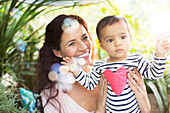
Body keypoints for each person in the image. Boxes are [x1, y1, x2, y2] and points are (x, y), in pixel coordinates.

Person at [35, 14, 151, 113]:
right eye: (72, 43)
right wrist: (100, 110)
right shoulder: (53, 97)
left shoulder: (111, 71)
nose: (84, 47)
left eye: (84, 38)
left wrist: (145, 108)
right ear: (58, 52)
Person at [63, 15, 170, 113]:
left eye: (122, 37)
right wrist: (75, 69)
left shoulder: (136, 60)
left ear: (130, 38)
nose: (117, 43)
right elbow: (89, 83)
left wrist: (160, 54)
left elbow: (155, 73)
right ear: (102, 46)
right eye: (110, 40)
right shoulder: (100, 65)